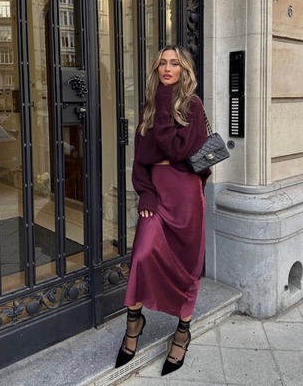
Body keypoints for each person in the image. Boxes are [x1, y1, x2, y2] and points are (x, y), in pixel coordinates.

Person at [114, 45, 210, 376]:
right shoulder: (150, 107)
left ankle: (183, 330)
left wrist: (167, 101)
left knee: (186, 265)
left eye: (174, 64)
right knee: (141, 255)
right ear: (156, 70)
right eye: (162, 64)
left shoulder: (192, 106)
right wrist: (146, 195)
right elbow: (141, 158)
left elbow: (178, 150)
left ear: (184, 70)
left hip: (185, 195)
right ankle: (134, 321)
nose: (167, 69)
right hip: (157, 195)